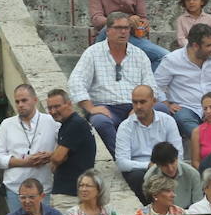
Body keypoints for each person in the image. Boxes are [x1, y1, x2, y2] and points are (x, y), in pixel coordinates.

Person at [68, 12, 160, 153]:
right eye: (118, 28)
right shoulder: (93, 53)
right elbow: (76, 81)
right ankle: (122, 158)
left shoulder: (139, 55)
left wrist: (139, 106)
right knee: (100, 122)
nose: (123, 32)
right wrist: (91, 108)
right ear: (108, 31)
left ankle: (152, 157)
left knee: (162, 110)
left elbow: (151, 86)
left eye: (126, 28)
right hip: (106, 108)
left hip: (136, 105)